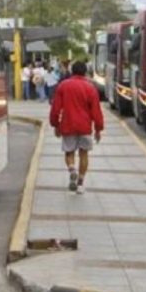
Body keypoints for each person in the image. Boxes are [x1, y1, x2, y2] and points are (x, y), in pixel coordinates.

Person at [49, 60, 103, 195]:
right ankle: (80, 184)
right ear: (85, 72)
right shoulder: (90, 88)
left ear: (72, 71)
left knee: (69, 152)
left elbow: (56, 108)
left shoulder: (63, 86)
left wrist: (55, 124)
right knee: (84, 153)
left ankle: (72, 169)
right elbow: (96, 110)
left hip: (68, 125)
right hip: (85, 126)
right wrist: (98, 129)